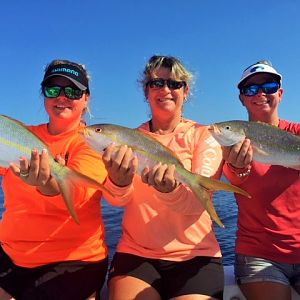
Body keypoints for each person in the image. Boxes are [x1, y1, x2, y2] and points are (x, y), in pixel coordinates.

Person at [102, 55, 224, 300]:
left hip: (196, 254)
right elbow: (116, 200)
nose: (165, 90)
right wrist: (118, 181)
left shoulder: (204, 136)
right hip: (136, 254)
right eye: (156, 84)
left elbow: (195, 202)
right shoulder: (128, 138)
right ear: (146, 91)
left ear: (185, 91)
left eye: (174, 84)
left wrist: (170, 190)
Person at [0, 59, 109, 300]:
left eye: (72, 91)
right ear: (44, 95)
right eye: (53, 90)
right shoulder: (24, 135)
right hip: (10, 257)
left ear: (86, 98)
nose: (62, 97)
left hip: (72, 262)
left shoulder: (92, 142)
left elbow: (80, 195)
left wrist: (48, 186)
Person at [222, 60, 300, 300]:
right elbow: (236, 178)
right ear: (242, 98)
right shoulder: (232, 146)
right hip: (258, 255)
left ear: (281, 92)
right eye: (251, 89)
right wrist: (238, 166)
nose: (261, 94)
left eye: (268, 85)